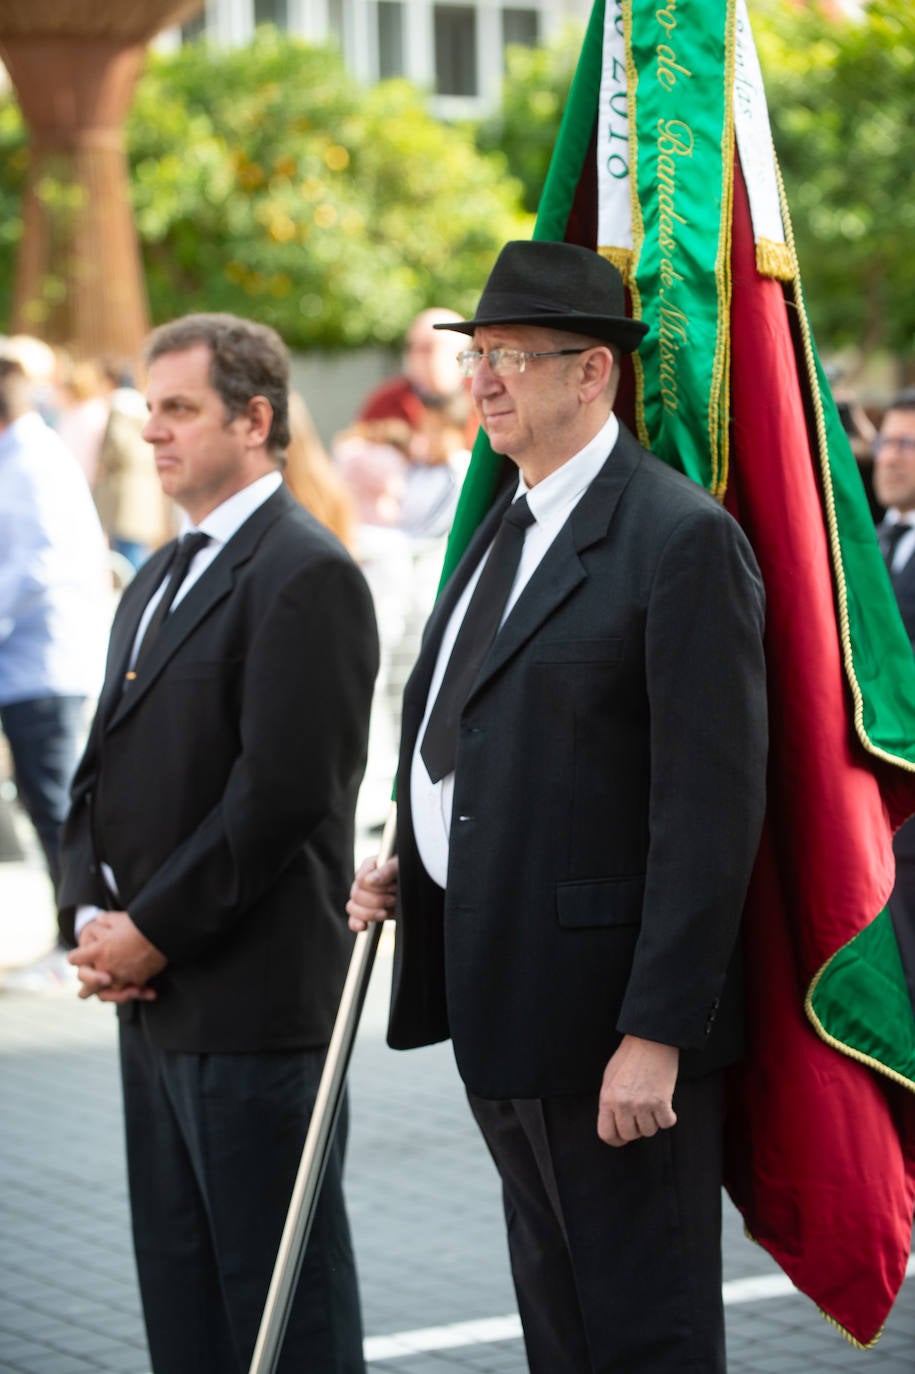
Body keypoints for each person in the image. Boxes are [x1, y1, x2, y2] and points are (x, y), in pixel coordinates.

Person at [348, 240, 768, 1373]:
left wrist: (658, 1034)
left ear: (595, 375)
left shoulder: (679, 540)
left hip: (609, 1033)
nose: (480, 380)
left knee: (644, 1333)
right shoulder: (505, 522)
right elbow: (465, 723)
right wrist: (417, 853)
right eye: (476, 355)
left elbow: (710, 813)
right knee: (562, 1331)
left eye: (513, 357)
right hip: (505, 1006)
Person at [57, 313, 378, 1374]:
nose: (153, 432)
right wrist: (87, 915)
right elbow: (96, 771)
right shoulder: (156, 574)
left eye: (180, 408)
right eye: (149, 408)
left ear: (256, 418)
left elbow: (280, 798)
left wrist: (151, 931)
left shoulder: (306, 573)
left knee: (285, 1316)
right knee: (183, 1301)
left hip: (253, 1011)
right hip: (151, 1005)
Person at [0, 357, 110, 902]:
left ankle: (78, 932)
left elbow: (43, 561)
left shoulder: (32, 461)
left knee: (56, 806)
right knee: (47, 802)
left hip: (43, 665)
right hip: (30, 663)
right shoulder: (22, 455)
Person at [873, 388, 915, 1005]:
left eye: (908, 444)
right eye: (884, 440)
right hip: (874, 818)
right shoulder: (869, 542)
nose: (889, 457)